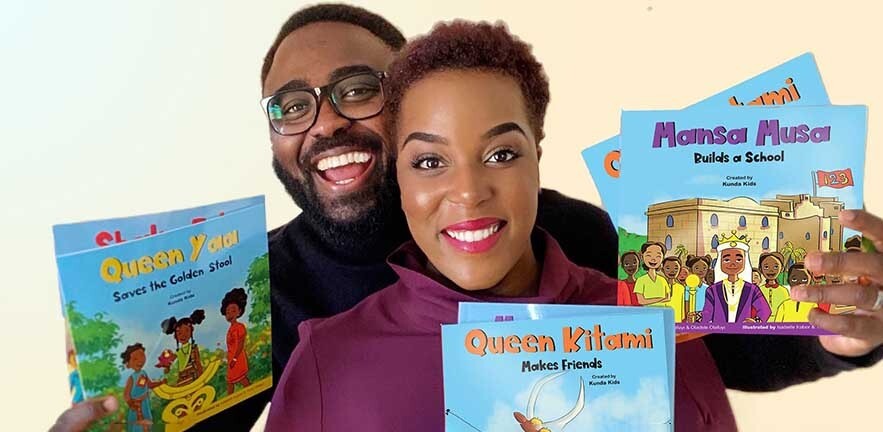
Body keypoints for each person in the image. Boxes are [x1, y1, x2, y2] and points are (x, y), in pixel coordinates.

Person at [50, 3, 883, 431]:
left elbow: (723, 346)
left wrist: (840, 326)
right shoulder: (258, 297)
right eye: (291, 105)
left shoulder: (573, 241)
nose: (326, 121)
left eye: (358, 89)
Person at [701, 233, 771, 323]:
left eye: (738, 259)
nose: (733, 264)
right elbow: (707, 313)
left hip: (743, 330)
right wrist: (696, 317)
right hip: (720, 330)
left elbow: (765, 310)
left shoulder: (752, 289)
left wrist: (756, 322)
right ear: (720, 262)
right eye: (727, 260)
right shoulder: (713, 290)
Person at [221, 288, 251, 395]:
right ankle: (229, 399)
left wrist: (234, 358)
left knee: (241, 379)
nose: (230, 313)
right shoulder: (230, 329)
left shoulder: (240, 327)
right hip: (231, 359)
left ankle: (250, 392)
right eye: (227, 311)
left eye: (233, 311)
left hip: (237, 358)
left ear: (239, 312)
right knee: (230, 381)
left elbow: (240, 344)